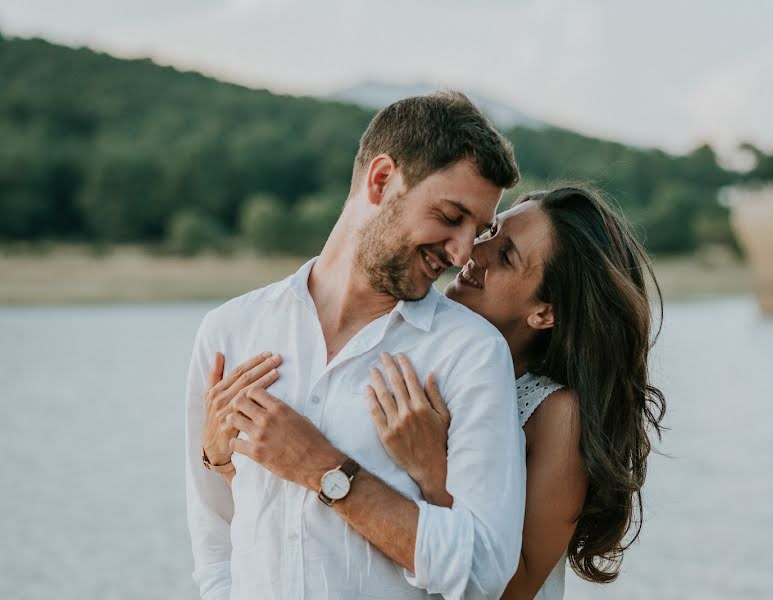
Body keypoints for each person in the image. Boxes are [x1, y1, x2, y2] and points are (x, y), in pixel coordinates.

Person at [207, 185, 667, 599]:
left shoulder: (556, 413)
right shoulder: (426, 365)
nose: (473, 252)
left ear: (544, 312)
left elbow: (512, 590)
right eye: (489, 232)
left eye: (505, 256)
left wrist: (434, 474)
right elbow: (317, 510)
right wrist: (223, 458)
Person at [185, 91, 525, 600]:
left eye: (477, 231)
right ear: (382, 179)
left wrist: (322, 468)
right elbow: (215, 542)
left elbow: (482, 572)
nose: (460, 253)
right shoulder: (230, 330)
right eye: (452, 216)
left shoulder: (470, 354)